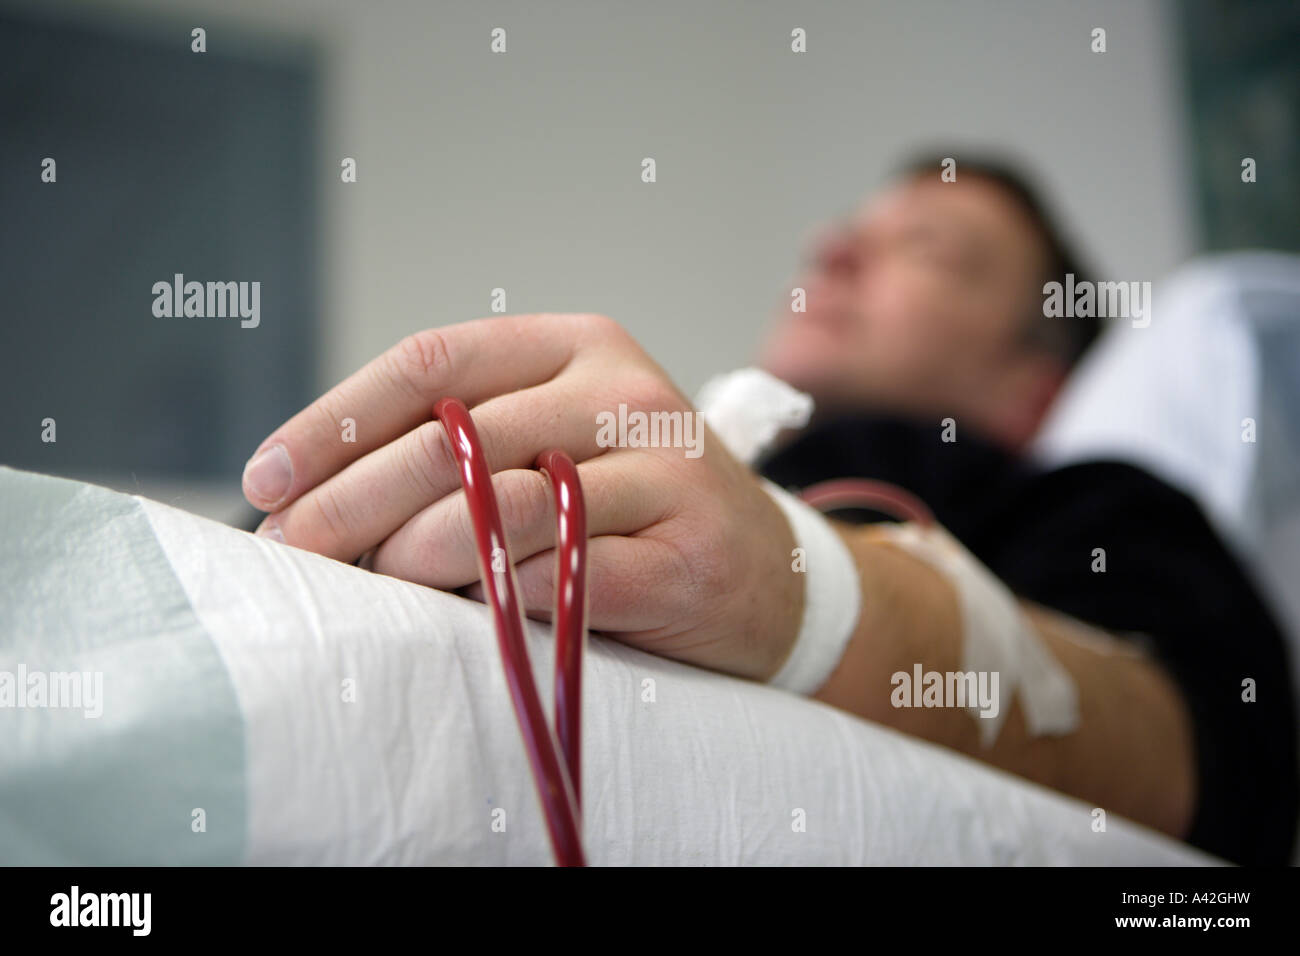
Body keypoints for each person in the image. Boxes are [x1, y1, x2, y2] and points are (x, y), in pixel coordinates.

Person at [239, 156, 1297, 865]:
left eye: (929, 249)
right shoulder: (650, 445)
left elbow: (1207, 765)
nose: (834, 251)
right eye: (851, 230)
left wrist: (798, 586)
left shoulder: (1096, 502)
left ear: (1034, 384)